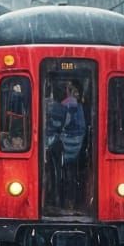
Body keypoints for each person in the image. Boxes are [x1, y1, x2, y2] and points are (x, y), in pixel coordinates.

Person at [44, 80, 87, 210]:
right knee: (73, 173)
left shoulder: (60, 106)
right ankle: (72, 202)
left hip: (64, 146)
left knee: (56, 171)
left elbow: (56, 127)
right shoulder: (80, 107)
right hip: (77, 147)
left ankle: (56, 200)